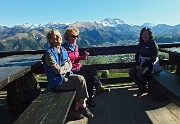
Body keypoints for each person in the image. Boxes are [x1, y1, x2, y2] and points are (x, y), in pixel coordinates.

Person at [42, 29, 94, 119]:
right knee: (79, 82)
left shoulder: (62, 49)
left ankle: (79, 104)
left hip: (64, 76)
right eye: (55, 36)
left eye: (59, 35)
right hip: (57, 81)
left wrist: (65, 68)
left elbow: (69, 64)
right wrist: (66, 67)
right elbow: (57, 71)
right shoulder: (49, 54)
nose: (59, 37)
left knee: (81, 78)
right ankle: (81, 107)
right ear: (50, 40)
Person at [62, 27, 110, 107]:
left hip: (78, 66)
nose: (75, 38)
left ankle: (98, 86)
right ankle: (89, 97)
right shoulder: (64, 49)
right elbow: (65, 62)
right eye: (73, 36)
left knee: (91, 68)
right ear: (68, 37)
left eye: (77, 36)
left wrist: (83, 57)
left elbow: (76, 58)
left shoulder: (75, 46)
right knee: (88, 77)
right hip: (71, 69)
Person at [129, 27, 161, 97]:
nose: (144, 36)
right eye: (143, 34)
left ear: (150, 35)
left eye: (146, 34)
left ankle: (141, 89)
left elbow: (153, 59)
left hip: (150, 64)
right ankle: (142, 88)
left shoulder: (153, 44)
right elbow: (137, 54)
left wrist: (142, 65)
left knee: (140, 74)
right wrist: (137, 64)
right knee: (131, 73)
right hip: (141, 63)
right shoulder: (141, 43)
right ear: (141, 35)